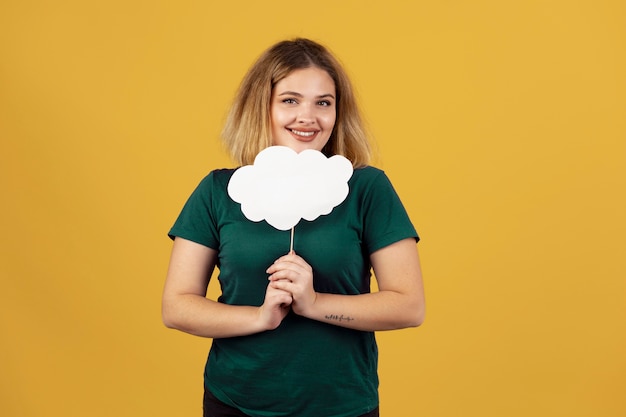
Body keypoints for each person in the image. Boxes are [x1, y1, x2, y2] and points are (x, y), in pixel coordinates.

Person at [162, 38, 425, 417]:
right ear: (262, 107)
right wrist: (259, 317)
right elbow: (177, 306)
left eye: (323, 103)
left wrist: (314, 303)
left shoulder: (367, 188)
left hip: (342, 405)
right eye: (290, 100)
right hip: (235, 403)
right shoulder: (219, 191)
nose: (308, 116)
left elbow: (408, 305)